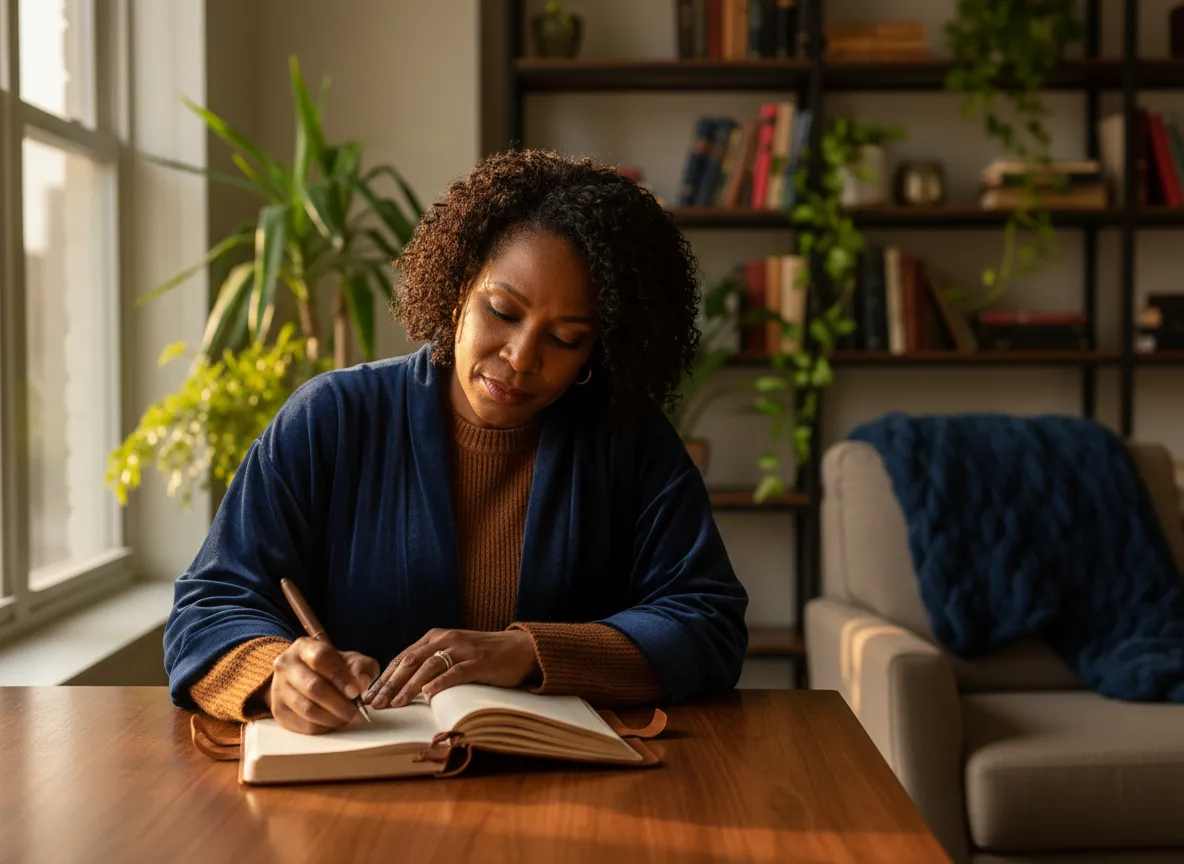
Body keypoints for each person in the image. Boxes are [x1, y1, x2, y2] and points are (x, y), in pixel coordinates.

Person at [163, 149, 749, 735]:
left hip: (563, 786)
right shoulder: (331, 419)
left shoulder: (629, 440)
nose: (521, 358)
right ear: (458, 288)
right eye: (502, 311)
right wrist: (275, 675)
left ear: (598, 349)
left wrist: (526, 652)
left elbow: (709, 621)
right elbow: (206, 610)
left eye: (566, 339)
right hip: (358, 786)